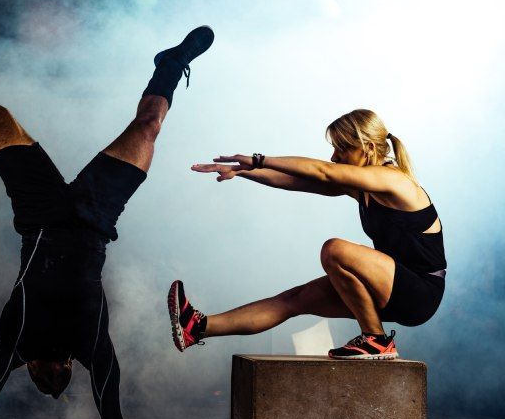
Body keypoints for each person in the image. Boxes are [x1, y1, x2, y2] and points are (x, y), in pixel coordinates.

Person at [0, 26, 215, 419]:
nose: (56, 371)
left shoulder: (14, 343)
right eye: (62, 376)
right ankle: (170, 64)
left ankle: (31, 112)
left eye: (46, 377)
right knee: (147, 128)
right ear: (70, 368)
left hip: (39, 214)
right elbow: (110, 412)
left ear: (32, 369)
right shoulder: (91, 348)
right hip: (96, 217)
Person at [170, 108, 446, 359]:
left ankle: (375, 339)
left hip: (420, 292)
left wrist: (259, 158)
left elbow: (324, 171)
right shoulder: (363, 188)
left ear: (368, 148)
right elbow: (299, 180)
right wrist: (243, 171)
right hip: (387, 287)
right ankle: (198, 326)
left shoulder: (394, 180)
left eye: (341, 149)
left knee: (335, 250)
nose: (334, 157)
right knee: (294, 300)